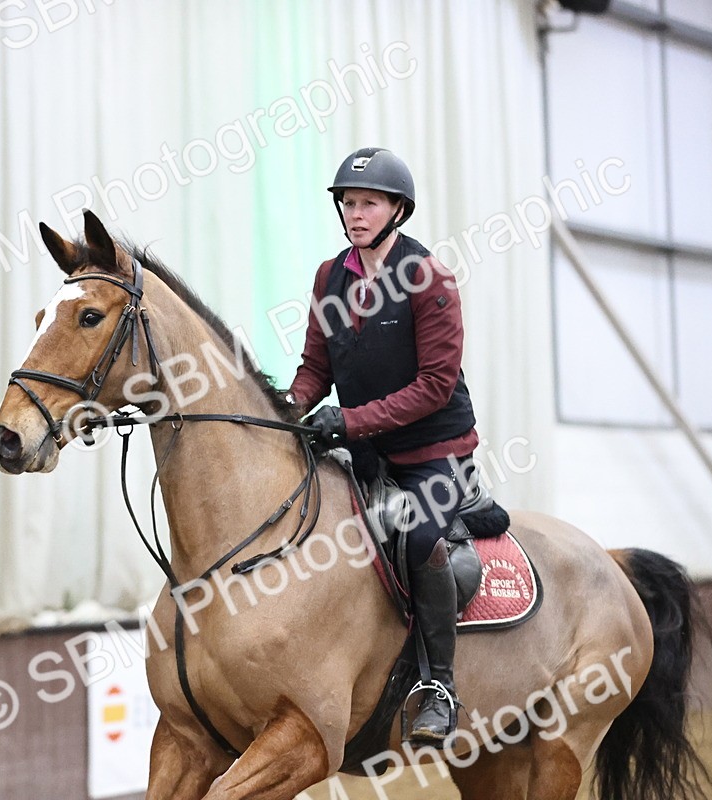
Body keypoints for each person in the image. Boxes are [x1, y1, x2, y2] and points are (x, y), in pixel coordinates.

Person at [285, 147, 479, 747]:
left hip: (432, 454)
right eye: (348, 203)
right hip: (364, 451)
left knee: (420, 537)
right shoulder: (329, 277)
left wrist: (348, 421)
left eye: (368, 203)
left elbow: (434, 386)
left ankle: (438, 687)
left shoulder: (429, 279)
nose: (355, 213)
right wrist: (286, 412)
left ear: (398, 209)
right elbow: (316, 366)